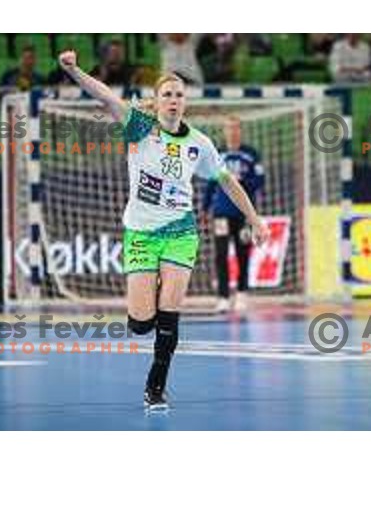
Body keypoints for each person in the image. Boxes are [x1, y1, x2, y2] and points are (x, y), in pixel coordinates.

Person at [57, 50, 269, 409]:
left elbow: (228, 180)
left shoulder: (199, 144)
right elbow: (106, 96)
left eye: (179, 95)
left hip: (179, 232)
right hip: (140, 233)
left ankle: (156, 386)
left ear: (185, 103)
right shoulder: (139, 125)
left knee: (170, 311)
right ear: (157, 101)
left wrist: (254, 218)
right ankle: (147, 298)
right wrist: (73, 69)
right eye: (167, 94)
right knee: (141, 324)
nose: (173, 100)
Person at [202, 117, 264, 312]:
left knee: (242, 253)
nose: (233, 132)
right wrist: (205, 208)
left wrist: (240, 182)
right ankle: (222, 296)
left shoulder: (251, 154)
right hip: (221, 212)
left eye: (236, 128)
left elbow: (260, 181)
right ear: (224, 131)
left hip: (244, 213)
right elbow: (211, 183)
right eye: (229, 128)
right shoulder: (218, 153)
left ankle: (242, 293)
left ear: (241, 131)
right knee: (220, 254)